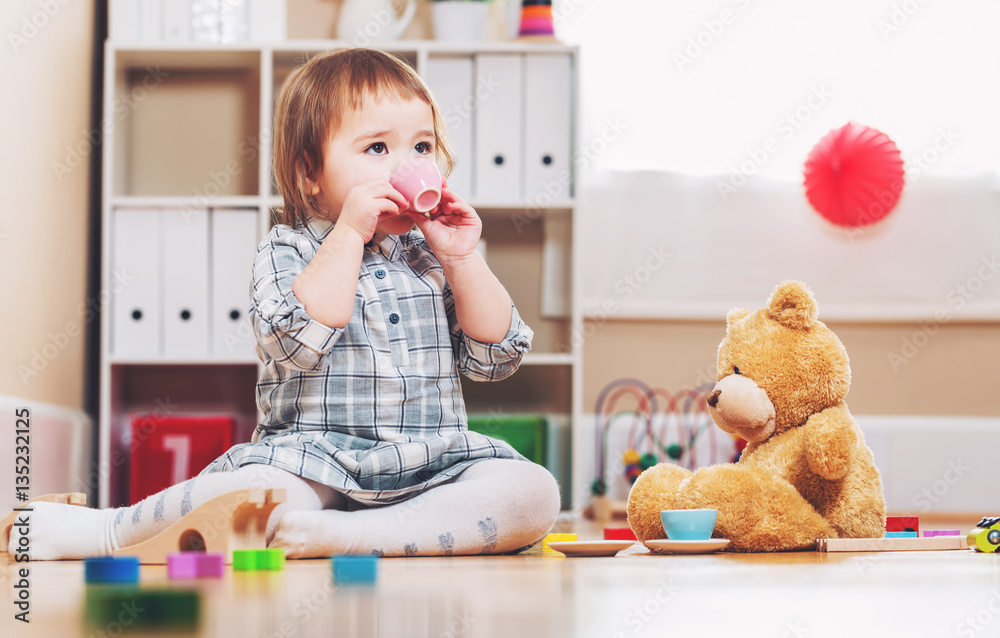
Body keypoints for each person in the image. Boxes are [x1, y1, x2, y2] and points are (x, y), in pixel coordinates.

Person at [12, 48, 559, 560]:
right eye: (376, 148)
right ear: (308, 174)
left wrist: (464, 260)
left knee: (533, 491)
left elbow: (495, 356)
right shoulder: (290, 249)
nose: (407, 165)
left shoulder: (433, 256)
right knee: (251, 498)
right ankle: (109, 532)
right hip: (311, 464)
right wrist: (349, 233)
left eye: (421, 147)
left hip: (432, 464)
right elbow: (297, 339)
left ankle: (362, 536)